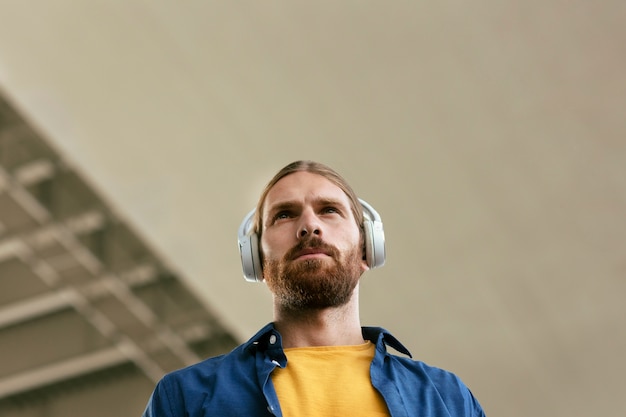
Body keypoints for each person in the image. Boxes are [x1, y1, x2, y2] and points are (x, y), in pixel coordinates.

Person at [142, 160, 486, 416]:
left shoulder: (445, 398)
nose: (309, 226)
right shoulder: (186, 398)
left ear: (368, 248)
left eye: (329, 210)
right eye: (284, 215)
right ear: (255, 259)